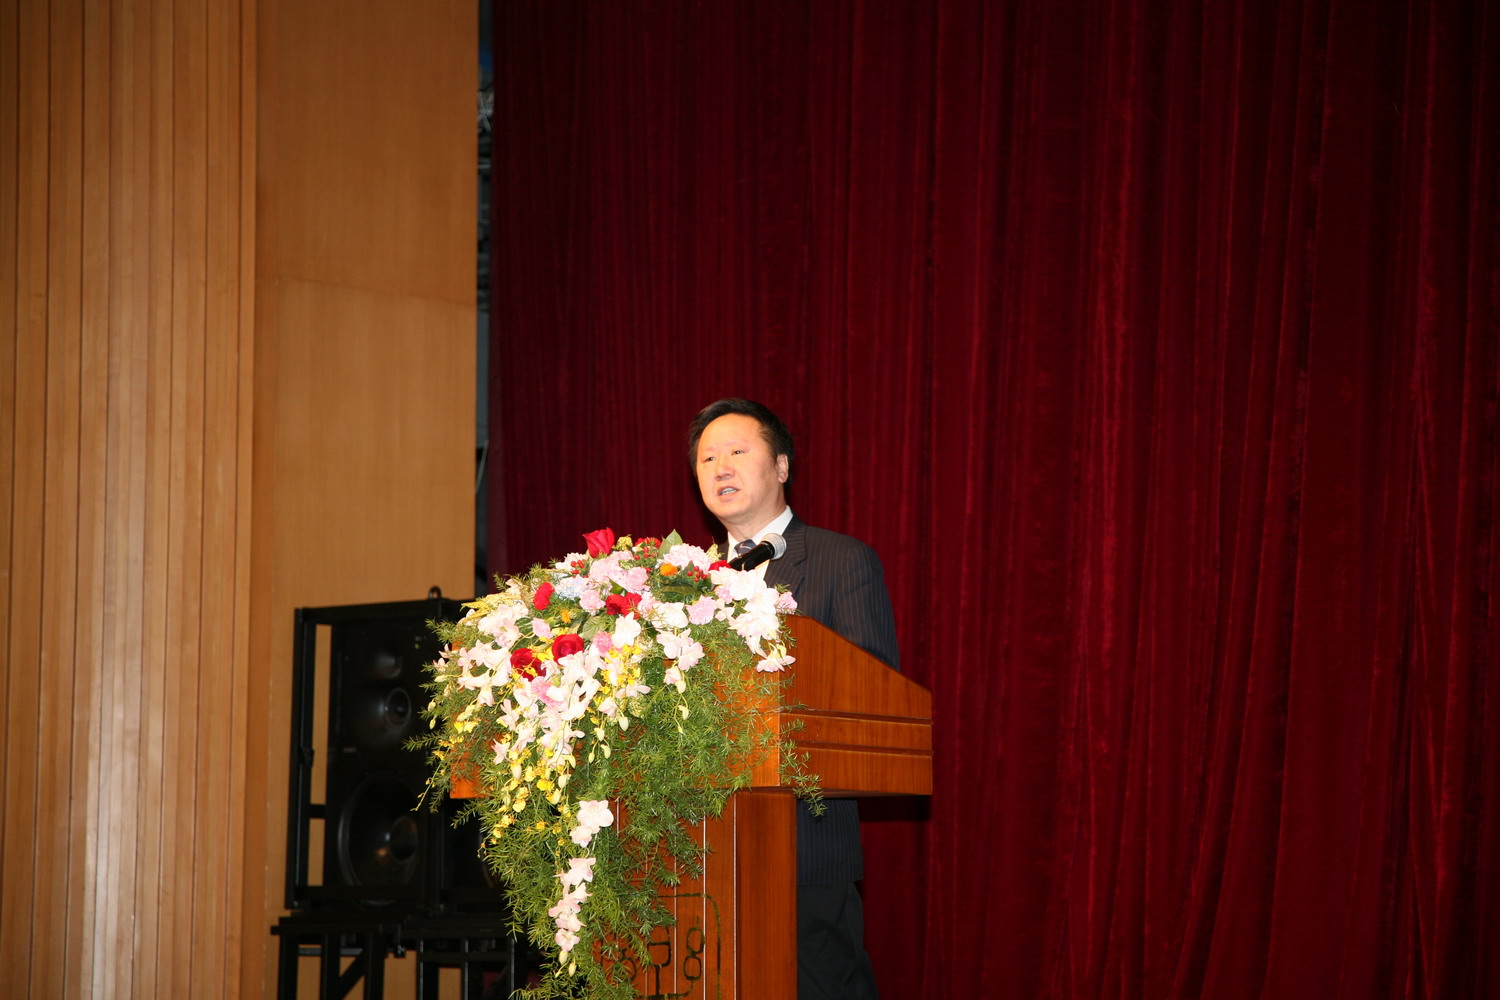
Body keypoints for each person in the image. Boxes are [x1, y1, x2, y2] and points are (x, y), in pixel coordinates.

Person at [688, 397, 899, 1000]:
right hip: (696, 849)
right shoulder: (679, 585)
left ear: (781, 466)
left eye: (737, 451)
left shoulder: (840, 560)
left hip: (804, 845)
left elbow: (871, 698)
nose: (721, 467)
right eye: (707, 458)